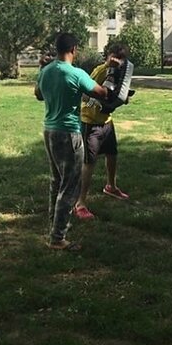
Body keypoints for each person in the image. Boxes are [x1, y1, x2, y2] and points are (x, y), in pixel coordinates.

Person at [35, 32, 109, 250]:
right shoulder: (76, 74)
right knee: (70, 186)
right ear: (74, 49)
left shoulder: (46, 70)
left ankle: (54, 224)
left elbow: (38, 94)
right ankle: (58, 238)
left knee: (56, 180)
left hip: (49, 131)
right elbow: (101, 92)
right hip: (69, 133)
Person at [74, 42, 131, 221]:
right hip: (90, 122)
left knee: (112, 154)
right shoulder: (100, 70)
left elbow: (115, 93)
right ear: (108, 55)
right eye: (114, 56)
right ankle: (80, 203)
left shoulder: (118, 72)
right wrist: (108, 68)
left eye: (121, 59)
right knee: (89, 163)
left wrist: (121, 98)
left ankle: (110, 186)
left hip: (106, 121)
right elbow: (86, 91)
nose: (117, 61)